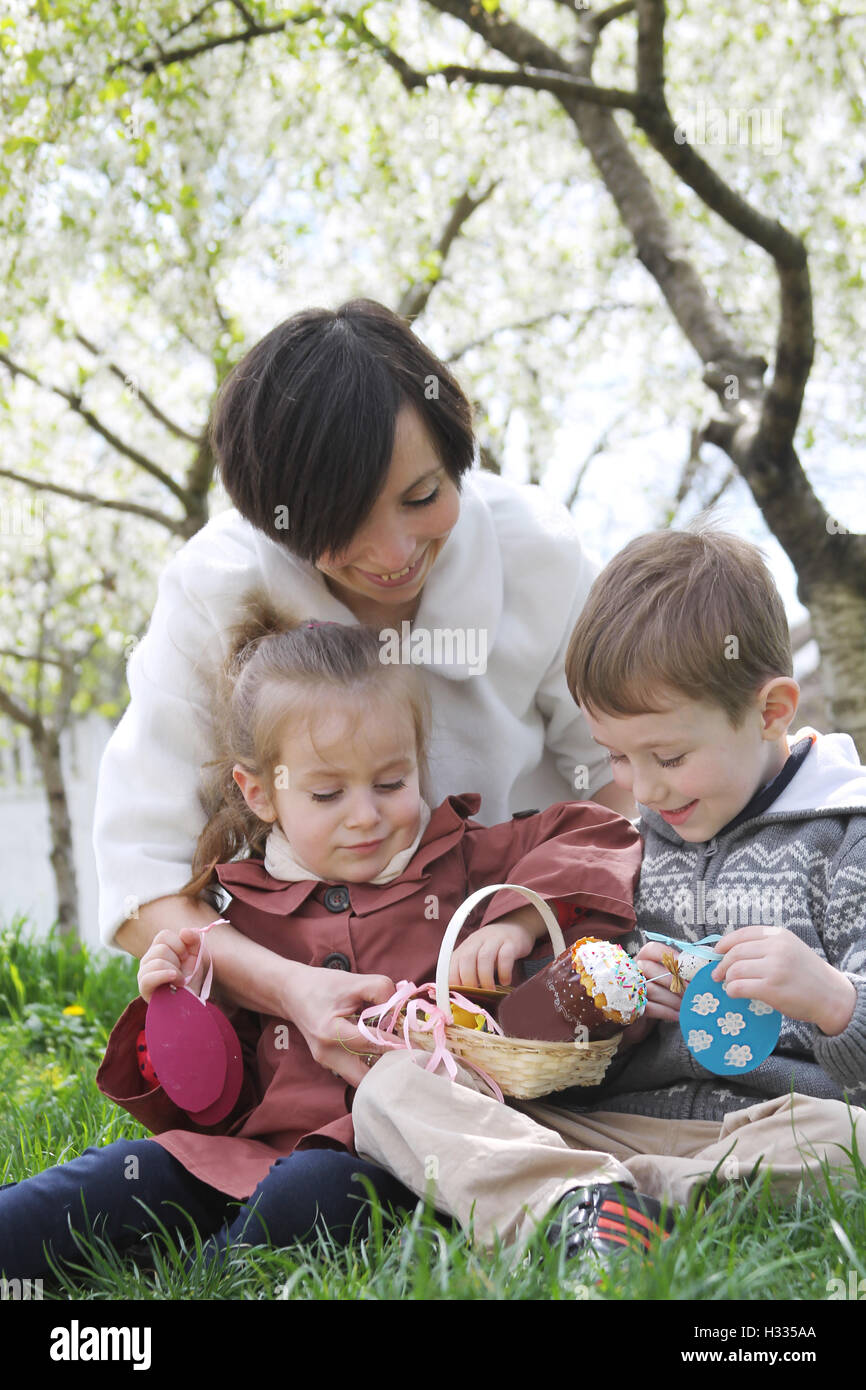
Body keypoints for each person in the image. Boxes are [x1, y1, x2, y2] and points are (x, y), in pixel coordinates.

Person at [0, 609, 643, 1279]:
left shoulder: (462, 860)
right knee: (104, 1182)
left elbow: (601, 832)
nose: (365, 815)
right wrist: (180, 1010)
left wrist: (512, 921)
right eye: (328, 793)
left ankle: (190, 1275)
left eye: (391, 783)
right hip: (240, 1155)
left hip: (386, 1166)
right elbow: (210, 1101)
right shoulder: (239, 913)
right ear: (260, 794)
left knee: (310, 1201)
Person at [93, 298, 633, 1017]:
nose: (394, 555)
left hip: (517, 972)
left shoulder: (536, 555)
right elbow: (141, 876)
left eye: (421, 496)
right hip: (309, 983)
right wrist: (293, 991)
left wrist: (530, 920)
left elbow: (626, 782)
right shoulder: (214, 590)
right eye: (344, 525)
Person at [352, 526, 866, 1269]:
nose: (643, 787)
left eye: (669, 757)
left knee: (849, 1145)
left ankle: (592, 1202)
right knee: (393, 1089)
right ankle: (588, 1199)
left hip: (770, 1130)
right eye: (618, 757)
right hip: (616, 1121)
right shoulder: (634, 843)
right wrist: (603, 1007)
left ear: (772, 710)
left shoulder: (846, 840)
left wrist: (830, 1000)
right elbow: (576, 1048)